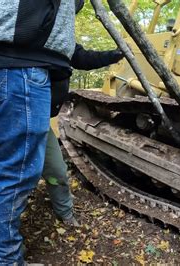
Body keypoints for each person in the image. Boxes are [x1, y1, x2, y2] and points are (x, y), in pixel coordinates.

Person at [0, 0, 78, 264]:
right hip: (19, 70)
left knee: (0, 169)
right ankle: (6, 260)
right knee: (15, 175)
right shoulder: (26, 24)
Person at [44, 43, 125, 227]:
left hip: (41, 119)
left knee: (57, 170)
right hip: (16, 111)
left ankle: (65, 213)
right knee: (7, 174)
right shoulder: (24, 32)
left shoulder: (60, 35)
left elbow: (82, 57)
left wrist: (115, 55)